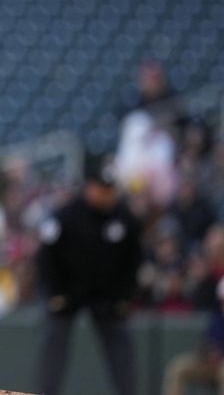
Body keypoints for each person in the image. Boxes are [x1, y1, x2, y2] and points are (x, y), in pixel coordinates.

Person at [34, 154, 142, 395]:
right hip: (69, 291)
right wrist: (54, 293)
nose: (106, 194)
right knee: (54, 341)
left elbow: (134, 261)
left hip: (108, 295)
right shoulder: (66, 216)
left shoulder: (124, 218)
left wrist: (126, 296)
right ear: (89, 187)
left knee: (121, 343)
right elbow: (45, 257)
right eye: (101, 189)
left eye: (110, 189)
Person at [163, 277, 224, 395]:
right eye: (222, 300)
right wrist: (207, 352)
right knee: (178, 368)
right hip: (210, 364)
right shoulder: (217, 317)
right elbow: (206, 341)